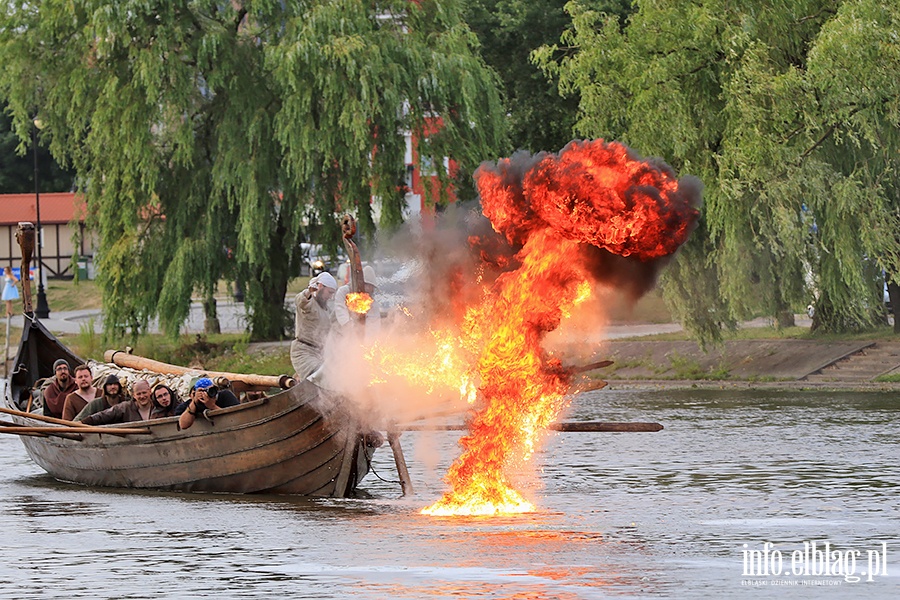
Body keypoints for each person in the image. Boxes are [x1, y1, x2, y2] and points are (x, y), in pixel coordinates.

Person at [290, 272, 337, 380]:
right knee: (322, 376)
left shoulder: (326, 309)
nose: (330, 296)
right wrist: (308, 292)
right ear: (320, 286)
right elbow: (300, 301)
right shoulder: (309, 303)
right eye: (329, 292)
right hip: (304, 352)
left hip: (320, 353)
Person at [333, 264, 381, 341]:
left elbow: (375, 324)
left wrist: (371, 340)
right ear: (361, 283)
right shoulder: (344, 292)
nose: (369, 288)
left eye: (371, 286)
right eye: (367, 285)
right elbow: (342, 314)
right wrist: (353, 329)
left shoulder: (372, 302)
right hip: (339, 335)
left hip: (358, 339)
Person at [175, 377, 240, 430]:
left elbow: (237, 419)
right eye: (201, 391)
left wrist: (212, 406)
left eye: (210, 390)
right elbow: (183, 425)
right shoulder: (189, 405)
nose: (206, 394)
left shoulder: (225, 396)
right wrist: (194, 403)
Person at [81, 380, 155, 425]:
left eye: (144, 393)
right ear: (134, 395)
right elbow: (104, 415)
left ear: (150, 391)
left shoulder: (157, 406)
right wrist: (83, 422)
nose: (142, 396)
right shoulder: (126, 407)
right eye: (138, 394)